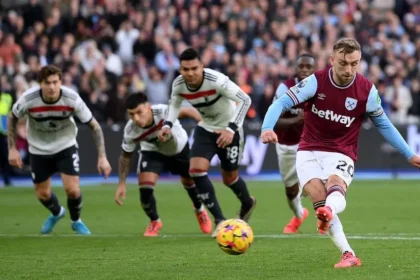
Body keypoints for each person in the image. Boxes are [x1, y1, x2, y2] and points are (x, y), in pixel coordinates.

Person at [260, 38, 420, 268]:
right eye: (344, 63)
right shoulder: (315, 82)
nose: (349, 70)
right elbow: (281, 103)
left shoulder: (366, 91)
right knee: (317, 197)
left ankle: (330, 212)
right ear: (332, 60)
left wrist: (409, 154)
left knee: (335, 186)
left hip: (341, 151)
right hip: (308, 150)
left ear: (360, 61)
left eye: (354, 64)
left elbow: (384, 124)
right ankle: (348, 254)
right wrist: (266, 128)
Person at [158, 48, 256, 237]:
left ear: (202, 66)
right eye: (185, 69)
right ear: (180, 70)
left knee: (229, 178)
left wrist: (231, 129)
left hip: (229, 129)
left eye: (194, 68)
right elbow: (174, 104)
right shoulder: (178, 84)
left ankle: (248, 203)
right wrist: (167, 125)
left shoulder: (216, 80)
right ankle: (220, 220)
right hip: (206, 128)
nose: (190, 73)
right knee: (195, 170)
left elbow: (245, 100)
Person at [7, 65, 112, 235]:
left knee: (73, 189)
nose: (52, 87)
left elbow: (95, 126)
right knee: (42, 194)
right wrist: (12, 149)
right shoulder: (28, 99)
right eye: (47, 83)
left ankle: (76, 221)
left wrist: (102, 157)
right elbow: (12, 117)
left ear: (61, 82)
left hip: (65, 145)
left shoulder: (71, 98)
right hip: (38, 149)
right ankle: (57, 213)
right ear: (40, 83)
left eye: (55, 82)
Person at [114, 92, 212, 236]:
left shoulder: (163, 111)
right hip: (153, 152)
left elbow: (189, 111)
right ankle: (155, 221)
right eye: (131, 114)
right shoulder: (130, 131)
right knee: (145, 189)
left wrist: (203, 125)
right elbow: (125, 156)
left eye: (139, 112)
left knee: (190, 184)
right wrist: (122, 183)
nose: (136, 118)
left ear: (148, 107)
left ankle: (199, 209)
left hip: (178, 148)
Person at [273, 54, 316, 234]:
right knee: (291, 191)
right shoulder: (285, 88)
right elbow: (275, 120)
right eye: (301, 67)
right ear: (295, 68)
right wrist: (297, 120)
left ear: (314, 69)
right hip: (287, 145)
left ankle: (326, 220)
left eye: (308, 67)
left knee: (319, 184)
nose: (305, 70)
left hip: (312, 144)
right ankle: (299, 214)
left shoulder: (319, 87)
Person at [0, 88, 13, 186]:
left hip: (3, 133)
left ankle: (7, 180)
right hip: (4, 132)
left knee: (5, 157)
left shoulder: (7, 97)